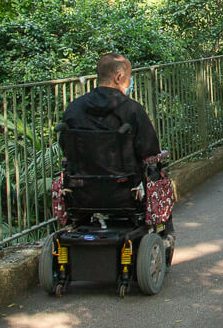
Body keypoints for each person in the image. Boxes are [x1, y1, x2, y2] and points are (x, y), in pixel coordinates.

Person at [59, 52, 163, 212]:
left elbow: (65, 146)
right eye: (130, 77)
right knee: (158, 168)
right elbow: (150, 150)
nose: (130, 82)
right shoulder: (131, 110)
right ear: (119, 77)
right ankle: (164, 232)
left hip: (81, 193)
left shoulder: (74, 108)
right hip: (125, 194)